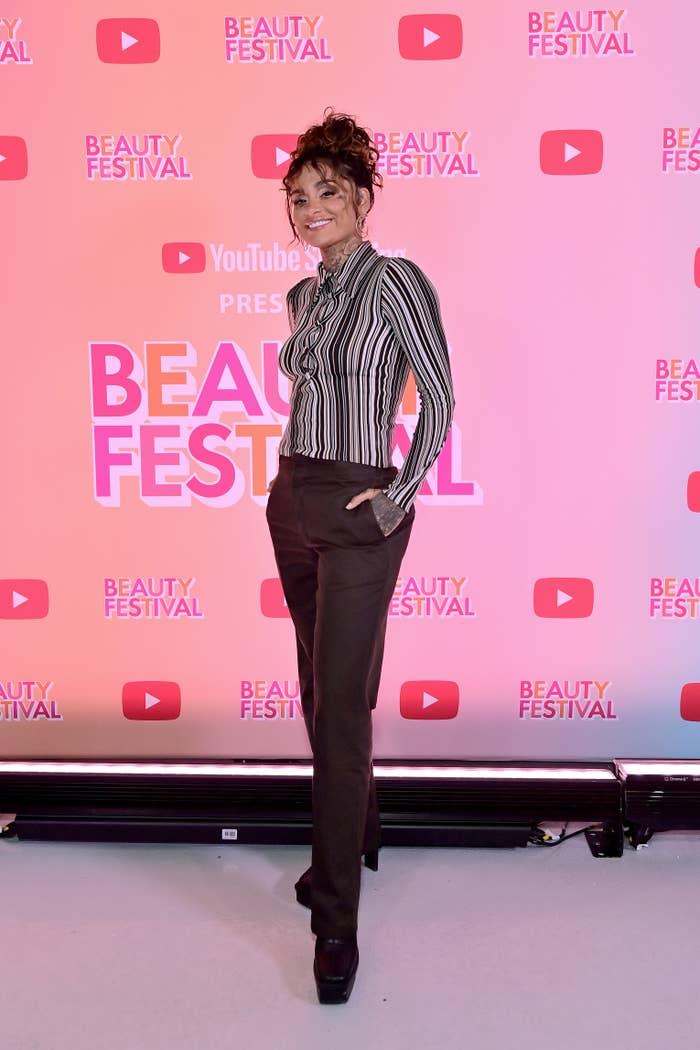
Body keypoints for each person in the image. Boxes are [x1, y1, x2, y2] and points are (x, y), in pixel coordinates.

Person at [265, 108, 455, 1004]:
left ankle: (333, 918)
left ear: (365, 198)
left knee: (341, 704)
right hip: (292, 499)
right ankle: (361, 833)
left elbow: (443, 398)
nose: (312, 207)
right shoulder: (304, 297)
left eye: (328, 193)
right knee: (317, 687)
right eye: (299, 197)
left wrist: (396, 495)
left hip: (360, 503)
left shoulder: (397, 282)